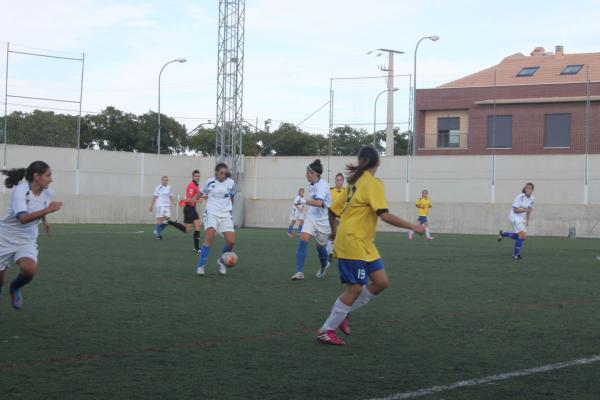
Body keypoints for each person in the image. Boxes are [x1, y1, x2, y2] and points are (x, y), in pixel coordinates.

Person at [316, 146, 424, 345]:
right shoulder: (371, 184)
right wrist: (412, 226)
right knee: (355, 289)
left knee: (381, 282)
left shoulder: (353, 183)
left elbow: (333, 211)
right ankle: (326, 330)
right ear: (378, 162)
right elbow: (384, 214)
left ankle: (344, 313)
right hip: (352, 242)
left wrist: (333, 230)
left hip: (364, 243)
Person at [0, 161, 62, 312]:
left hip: (27, 239)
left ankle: (14, 288)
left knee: (29, 270)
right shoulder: (21, 191)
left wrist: (45, 220)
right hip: (5, 237)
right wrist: (48, 210)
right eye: (48, 175)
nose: (51, 179)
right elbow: (23, 218)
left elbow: (40, 208)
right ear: (36, 176)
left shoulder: (47, 192)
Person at [291, 159, 332, 281]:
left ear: (315, 174)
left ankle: (325, 265)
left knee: (320, 247)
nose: (306, 175)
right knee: (303, 239)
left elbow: (319, 203)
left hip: (324, 220)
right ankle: (299, 272)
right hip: (312, 216)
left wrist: (304, 201)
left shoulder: (323, 185)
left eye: (308, 173)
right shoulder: (310, 185)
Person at [196, 163, 236, 276]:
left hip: (225, 215)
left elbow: (232, 195)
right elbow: (200, 193)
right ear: (216, 173)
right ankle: (201, 266)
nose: (223, 175)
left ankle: (222, 261)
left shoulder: (231, 183)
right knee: (210, 235)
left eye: (225, 173)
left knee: (231, 242)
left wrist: (230, 209)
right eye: (221, 173)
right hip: (211, 213)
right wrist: (194, 199)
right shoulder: (210, 182)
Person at [166, 170, 203, 252]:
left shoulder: (196, 186)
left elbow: (196, 197)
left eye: (198, 176)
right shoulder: (191, 186)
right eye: (196, 176)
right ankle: (170, 222)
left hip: (193, 209)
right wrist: (198, 201)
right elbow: (189, 200)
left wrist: (200, 198)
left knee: (198, 227)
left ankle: (196, 248)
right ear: (193, 177)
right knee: (187, 230)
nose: (197, 177)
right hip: (189, 209)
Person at [498, 182, 535, 259]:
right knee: (522, 236)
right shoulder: (520, 197)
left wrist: (527, 220)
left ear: (532, 190)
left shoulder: (532, 199)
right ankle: (515, 255)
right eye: (527, 188)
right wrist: (525, 210)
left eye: (530, 188)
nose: (528, 189)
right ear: (524, 189)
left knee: (522, 237)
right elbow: (515, 210)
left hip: (521, 219)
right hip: (514, 217)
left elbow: (529, 210)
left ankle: (503, 234)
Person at [149, 176, 174, 240]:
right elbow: (154, 197)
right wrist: (151, 205)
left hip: (167, 206)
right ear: (161, 181)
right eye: (163, 180)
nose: (164, 182)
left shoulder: (169, 187)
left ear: (167, 181)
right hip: (160, 205)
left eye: (166, 180)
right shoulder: (158, 187)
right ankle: (158, 236)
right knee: (159, 220)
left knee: (167, 220)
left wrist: (174, 202)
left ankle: (157, 230)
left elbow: (170, 196)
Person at [327, 173, 345, 260]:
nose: (339, 182)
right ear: (335, 181)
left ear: (343, 181)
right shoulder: (330, 191)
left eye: (340, 180)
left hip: (343, 218)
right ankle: (330, 252)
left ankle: (334, 251)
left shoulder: (346, 191)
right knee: (334, 233)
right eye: (337, 180)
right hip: (333, 217)